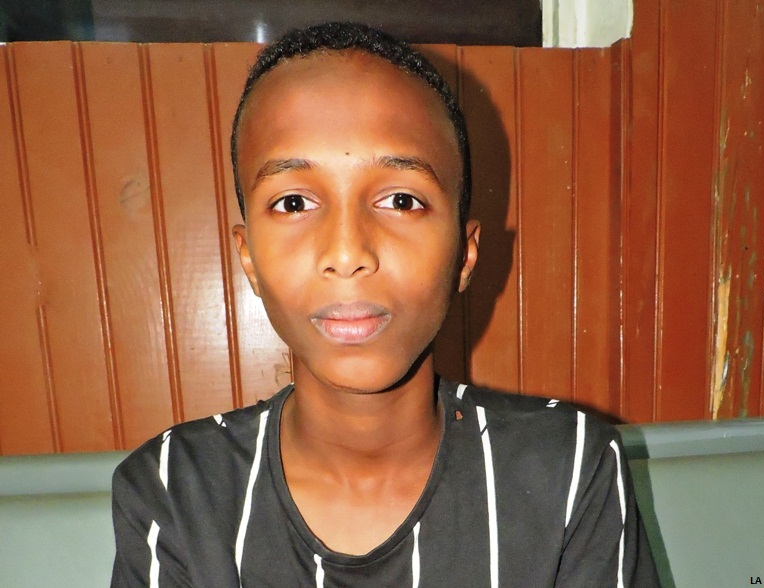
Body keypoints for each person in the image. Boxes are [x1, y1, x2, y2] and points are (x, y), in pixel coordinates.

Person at [111, 21, 659, 587]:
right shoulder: (175, 490)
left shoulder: (570, 470)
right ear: (248, 258)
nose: (348, 252)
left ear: (464, 255)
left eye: (401, 200)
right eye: (294, 202)